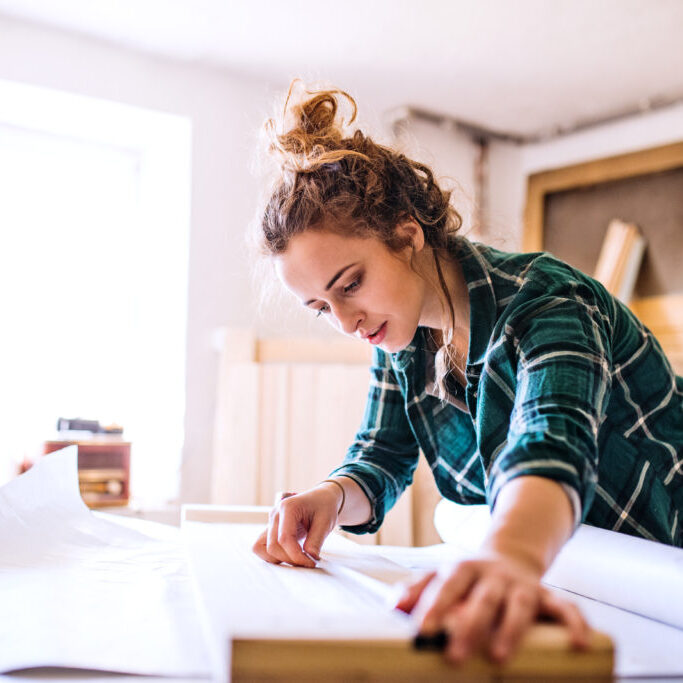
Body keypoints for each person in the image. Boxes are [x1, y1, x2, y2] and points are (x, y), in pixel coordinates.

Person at [251, 82, 683, 664]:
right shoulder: (398, 332)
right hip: (569, 575)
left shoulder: (548, 302)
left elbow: (553, 439)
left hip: (662, 569)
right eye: (322, 308)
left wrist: (509, 559)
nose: (347, 321)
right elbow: (381, 455)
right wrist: (331, 495)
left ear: (407, 236)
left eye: (350, 284)